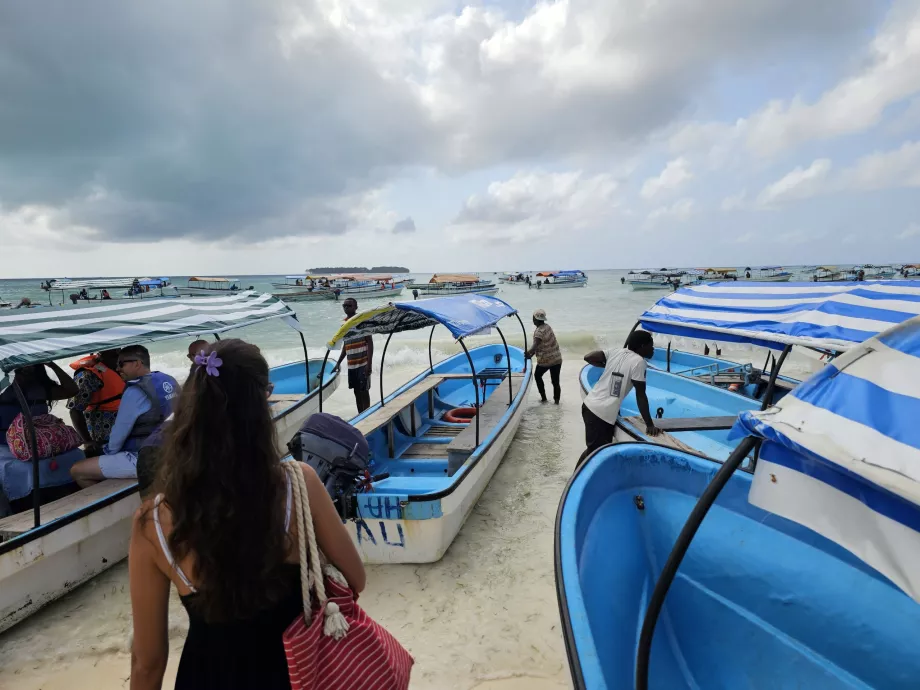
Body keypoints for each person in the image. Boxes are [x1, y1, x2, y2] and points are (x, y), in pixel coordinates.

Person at [128, 339, 366, 689]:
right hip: (294, 674)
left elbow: (148, 661)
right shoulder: (299, 485)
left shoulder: (153, 523)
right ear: (259, 406)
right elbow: (355, 579)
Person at [70, 345, 178, 487]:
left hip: (145, 457)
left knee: (77, 470)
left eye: (122, 364)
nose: (118, 368)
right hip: (172, 450)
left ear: (137, 363)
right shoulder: (168, 380)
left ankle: (114, 504)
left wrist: (108, 452)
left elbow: (119, 433)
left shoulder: (134, 391)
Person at [578, 330, 659, 465]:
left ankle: (576, 478)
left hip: (589, 406)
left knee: (594, 451)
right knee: (595, 454)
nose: (653, 349)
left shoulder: (616, 352)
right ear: (642, 346)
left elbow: (589, 357)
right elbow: (641, 395)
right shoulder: (639, 362)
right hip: (600, 414)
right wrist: (649, 424)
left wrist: (607, 366)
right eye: (651, 345)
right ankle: (575, 480)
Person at [0, 363, 79, 448]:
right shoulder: (3, 391)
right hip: (6, 445)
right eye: (19, 371)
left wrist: (53, 365)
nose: (21, 376)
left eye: (28, 371)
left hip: (40, 444)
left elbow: (72, 390)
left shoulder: (41, 389)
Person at [67, 349, 125, 456]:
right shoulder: (88, 375)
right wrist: (87, 441)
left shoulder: (121, 369)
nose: (118, 353)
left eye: (118, 349)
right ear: (100, 353)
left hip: (123, 431)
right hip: (101, 435)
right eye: (113, 352)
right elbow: (74, 409)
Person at [333, 298, 373, 413]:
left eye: (349, 306)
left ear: (356, 307)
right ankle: (361, 414)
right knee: (356, 392)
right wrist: (338, 363)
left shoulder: (362, 321)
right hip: (351, 365)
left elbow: (369, 343)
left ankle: (368, 415)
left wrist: (369, 365)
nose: (346, 308)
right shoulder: (343, 323)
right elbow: (346, 345)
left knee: (364, 391)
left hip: (363, 363)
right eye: (344, 306)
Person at [524, 309, 562, 404]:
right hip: (557, 359)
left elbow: (535, 346)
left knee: (537, 376)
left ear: (535, 319)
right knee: (555, 382)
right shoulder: (548, 327)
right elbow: (542, 345)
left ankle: (544, 399)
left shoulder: (538, 332)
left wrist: (528, 352)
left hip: (546, 360)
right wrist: (531, 353)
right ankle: (556, 402)